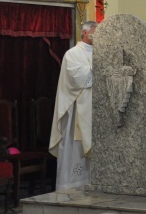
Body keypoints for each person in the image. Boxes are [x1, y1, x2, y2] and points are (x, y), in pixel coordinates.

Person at [49, 21, 97, 190]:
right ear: (84, 33)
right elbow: (75, 77)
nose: (95, 36)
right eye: (93, 33)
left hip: (96, 109)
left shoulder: (102, 53)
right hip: (77, 110)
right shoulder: (72, 54)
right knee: (75, 147)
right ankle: (71, 185)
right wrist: (95, 69)